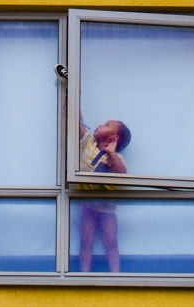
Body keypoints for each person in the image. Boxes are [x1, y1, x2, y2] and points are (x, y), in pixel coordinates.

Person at [78, 114, 131, 273]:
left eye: (106, 125)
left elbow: (121, 174)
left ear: (114, 138)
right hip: (87, 205)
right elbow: (77, 121)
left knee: (111, 242)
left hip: (107, 209)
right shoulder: (89, 143)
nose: (100, 125)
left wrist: (112, 153)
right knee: (86, 241)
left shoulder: (117, 158)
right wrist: (72, 93)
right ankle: (83, 276)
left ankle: (116, 276)